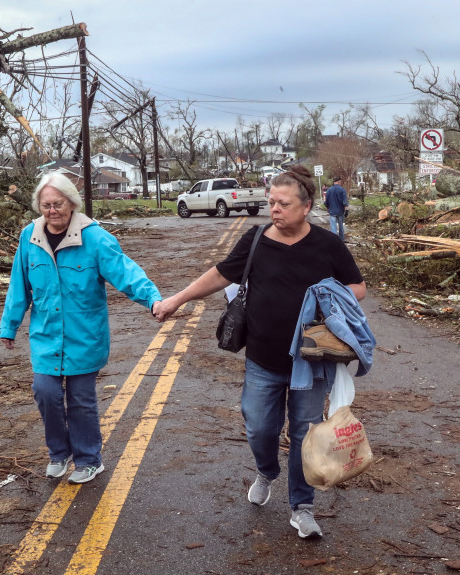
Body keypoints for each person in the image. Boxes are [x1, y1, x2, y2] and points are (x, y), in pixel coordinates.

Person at [153, 166, 367, 539]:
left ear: (306, 207)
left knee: (304, 433)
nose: (275, 209)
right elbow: (221, 274)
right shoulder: (255, 239)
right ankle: (267, 470)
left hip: (310, 361)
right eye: (271, 202)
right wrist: (177, 299)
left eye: (283, 204)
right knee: (259, 427)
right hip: (262, 359)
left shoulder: (327, 244)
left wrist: (327, 299)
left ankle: (302, 507)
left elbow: (357, 288)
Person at [0, 171, 162, 485]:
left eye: (57, 204)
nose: (52, 211)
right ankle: (59, 454)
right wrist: (9, 326)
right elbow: (19, 285)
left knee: (79, 400)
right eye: (46, 205)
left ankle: (89, 460)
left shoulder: (95, 238)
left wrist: (152, 300)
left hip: (84, 337)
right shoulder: (29, 237)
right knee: (45, 392)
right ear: (39, 207)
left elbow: (126, 272)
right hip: (46, 336)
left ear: (71, 202)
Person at [324, 177, 348, 241]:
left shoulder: (329, 190)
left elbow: (326, 202)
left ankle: (334, 240)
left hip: (332, 211)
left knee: (333, 227)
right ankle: (341, 239)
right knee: (341, 226)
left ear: (334, 182)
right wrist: (347, 210)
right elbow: (345, 201)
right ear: (339, 181)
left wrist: (327, 207)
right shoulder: (342, 189)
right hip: (340, 211)